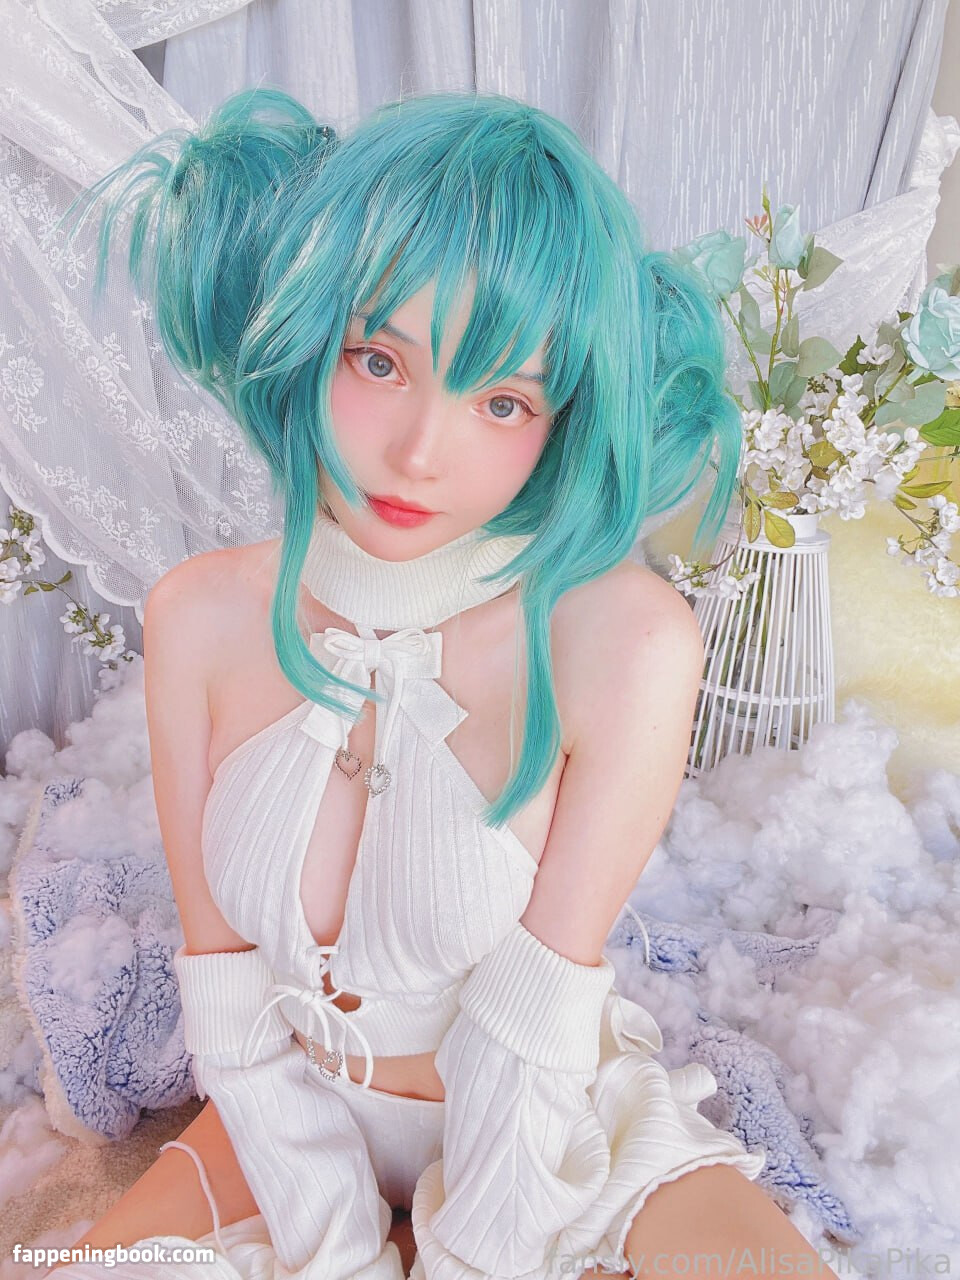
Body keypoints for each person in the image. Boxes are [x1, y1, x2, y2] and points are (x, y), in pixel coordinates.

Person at [48, 87, 837, 1280]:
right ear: (307, 334)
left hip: (550, 1129)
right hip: (281, 1121)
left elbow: (531, 1025)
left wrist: (463, 1260)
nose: (421, 452)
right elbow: (231, 1003)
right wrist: (337, 1247)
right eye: (380, 359)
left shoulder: (623, 639)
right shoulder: (199, 615)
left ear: (561, 420)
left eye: (502, 400)